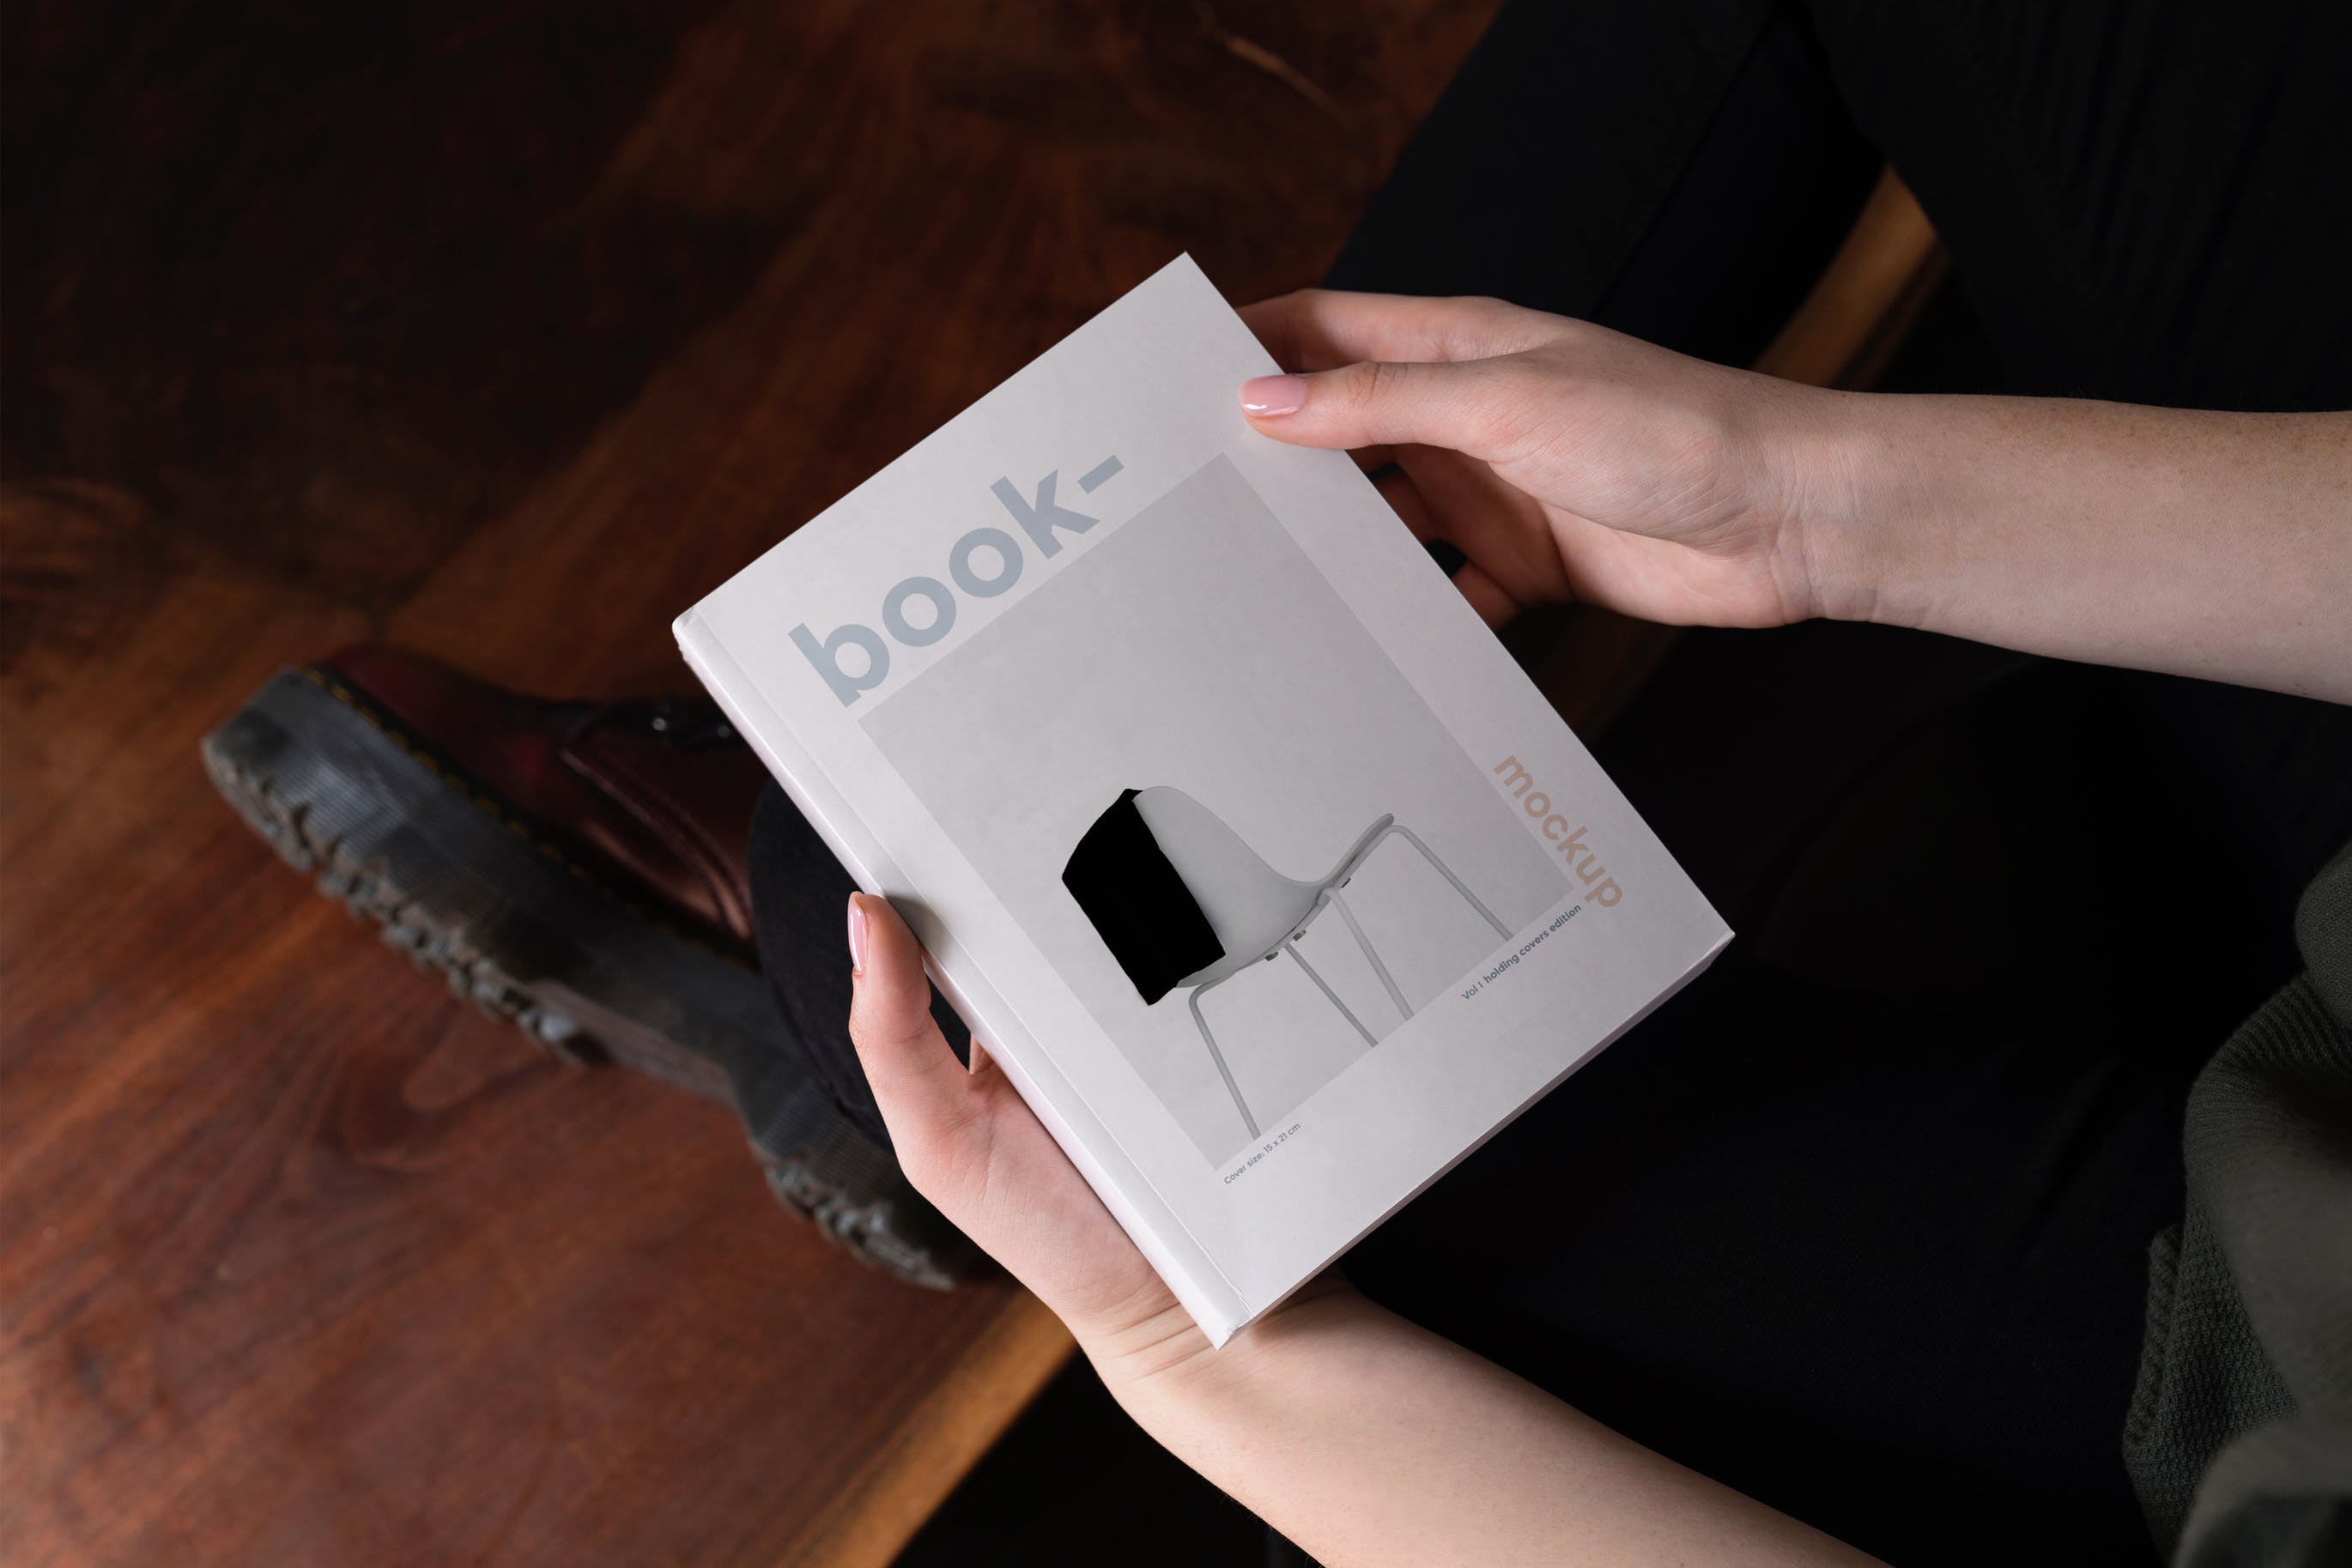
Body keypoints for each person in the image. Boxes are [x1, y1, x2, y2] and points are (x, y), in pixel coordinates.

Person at [209, 1, 2351, 1563]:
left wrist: (1174, 1342)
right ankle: (1079, 661)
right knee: (906, 884)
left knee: (862, 891)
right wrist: (1804, 504)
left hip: (2226, 1358)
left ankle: (806, 938)